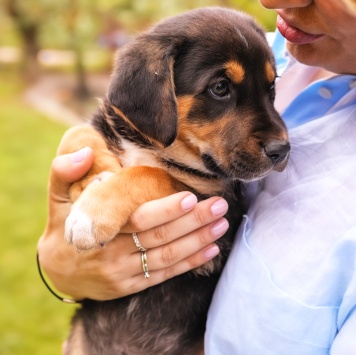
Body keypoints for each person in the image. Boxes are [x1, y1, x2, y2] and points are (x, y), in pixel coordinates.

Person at [38, 0, 356, 353]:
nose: (276, 134)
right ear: (156, 96)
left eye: (268, 92)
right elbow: (94, 137)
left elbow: (199, 205)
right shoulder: (273, 48)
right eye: (221, 88)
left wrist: (134, 185)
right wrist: (58, 263)